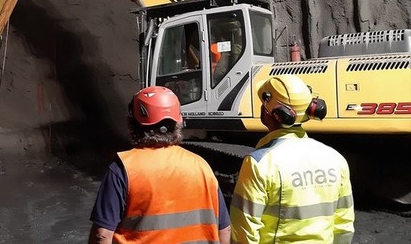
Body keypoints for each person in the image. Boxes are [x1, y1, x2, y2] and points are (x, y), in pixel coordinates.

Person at [88, 86, 232, 244]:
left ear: (133, 124)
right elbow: (224, 228)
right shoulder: (201, 166)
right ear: (178, 121)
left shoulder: (123, 168)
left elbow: (102, 235)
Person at [230, 75, 354, 243]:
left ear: (273, 114)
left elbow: (244, 232)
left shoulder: (259, 164)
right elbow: (344, 226)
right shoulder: (336, 159)